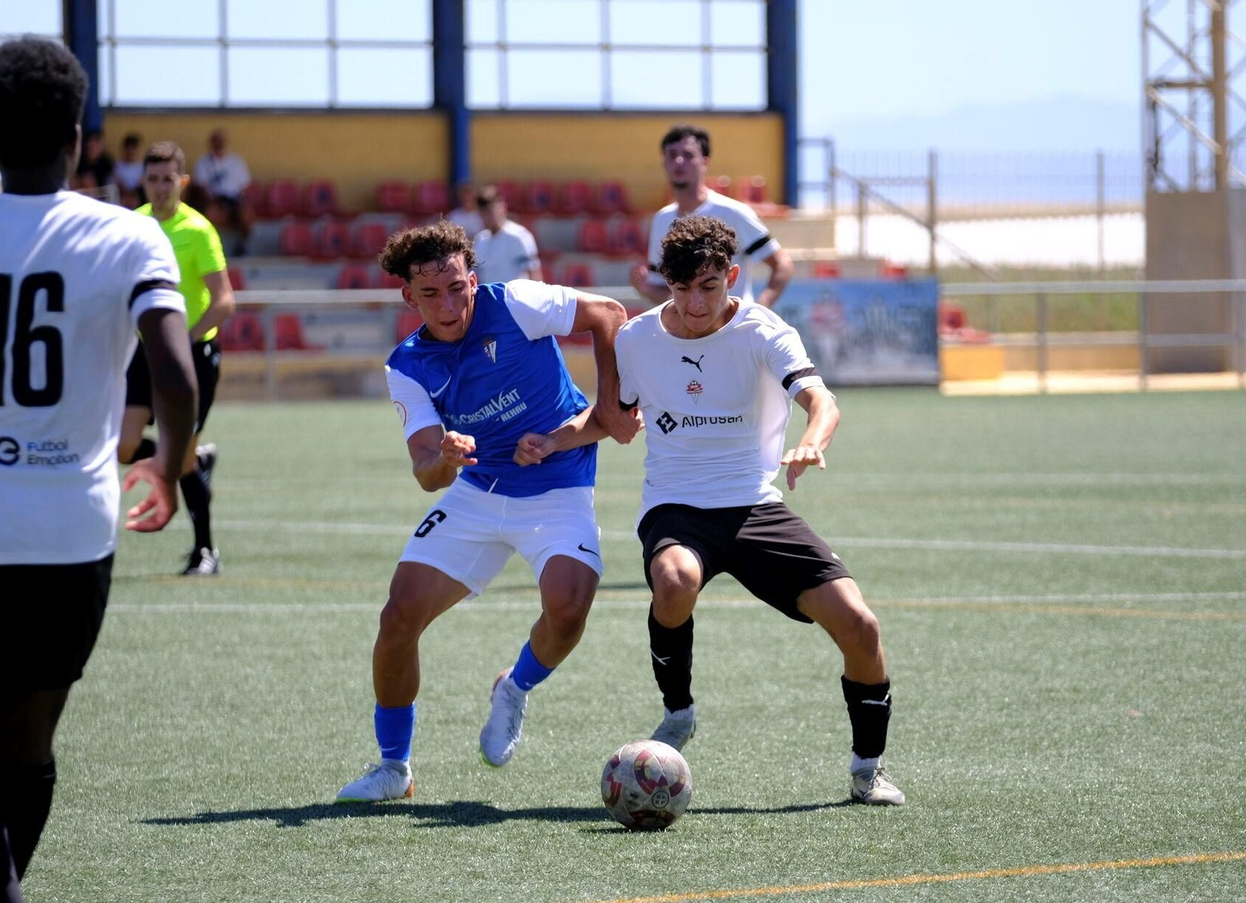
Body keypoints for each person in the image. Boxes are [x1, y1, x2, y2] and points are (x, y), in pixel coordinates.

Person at [0, 38, 197, 902]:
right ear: (77, 135)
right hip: (75, 530)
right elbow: (174, 376)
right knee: (30, 745)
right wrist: (168, 469)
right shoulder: (133, 233)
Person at [525, 215, 904, 806]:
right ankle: (679, 711)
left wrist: (812, 441)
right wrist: (552, 440)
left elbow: (820, 399)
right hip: (676, 504)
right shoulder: (637, 338)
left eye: (708, 286)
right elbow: (614, 420)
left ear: (731, 276)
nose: (694, 303)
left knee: (861, 626)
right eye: (680, 289)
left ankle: (867, 768)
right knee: (674, 579)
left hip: (756, 504)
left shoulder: (763, 330)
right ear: (664, 283)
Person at [333, 221, 639, 803]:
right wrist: (445, 458)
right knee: (398, 618)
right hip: (476, 494)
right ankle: (393, 768)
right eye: (431, 294)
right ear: (409, 297)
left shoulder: (518, 301)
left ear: (474, 279)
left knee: (569, 610)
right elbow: (426, 472)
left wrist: (610, 405)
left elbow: (608, 313)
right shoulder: (407, 365)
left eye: (457, 287)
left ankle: (515, 685)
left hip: (558, 485)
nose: (448, 305)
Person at [119, 140, 236, 576]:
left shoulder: (198, 230)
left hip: (192, 356)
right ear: (142, 182)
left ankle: (205, 551)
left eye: (168, 179)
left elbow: (224, 301)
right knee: (123, 444)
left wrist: (181, 339)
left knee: (178, 460)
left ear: (182, 181)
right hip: (140, 353)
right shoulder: (132, 226)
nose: (160, 187)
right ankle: (192, 457)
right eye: (152, 179)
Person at [631, 124, 794, 308]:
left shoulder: (733, 212)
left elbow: (782, 264)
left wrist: (762, 305)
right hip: (689, 334)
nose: (678, 161)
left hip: (734, 330)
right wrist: (646, 288)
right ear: (664, 162)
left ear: (705, 162)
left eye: (688, 155)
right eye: (671, 154)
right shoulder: (662, 219)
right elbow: (668, 293)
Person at [191, 128, 250, 254]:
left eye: (222, 140)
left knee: (247, 216)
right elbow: (202, 187)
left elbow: (244, 186)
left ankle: (242, 244)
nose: (219, 143)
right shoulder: (203, 163)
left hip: (234, 199)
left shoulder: (236, 161)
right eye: (216, 141)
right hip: (215, 199)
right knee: (211, 214)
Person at [473, 185, 541, 284]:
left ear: (502, 207)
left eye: (491, 211)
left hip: (515, 299)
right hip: (489, 299)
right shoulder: (480, 240)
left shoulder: (519, 236)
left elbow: (534, 274)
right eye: (483, 213)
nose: (488, 217)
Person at [73, 128, 115, 195]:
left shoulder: (107, 163)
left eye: (95, 143)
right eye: (89, 143)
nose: (91, 146)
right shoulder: (80, 161)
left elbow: (109, 188)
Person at [112, 133, 145, 208]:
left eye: (133, 148)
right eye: (128, 147)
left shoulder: (142, 168)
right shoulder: (117, 166)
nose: (130, 151)